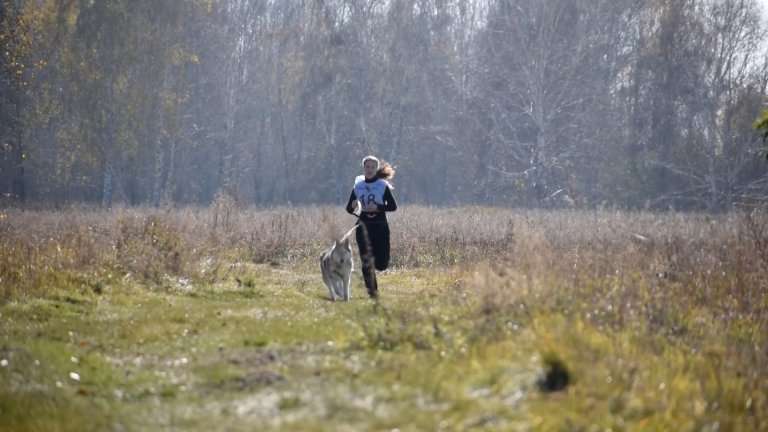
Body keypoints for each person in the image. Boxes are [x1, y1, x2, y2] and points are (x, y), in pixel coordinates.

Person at [345, 155, 397, 299]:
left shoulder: (382, 186)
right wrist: (354, 206)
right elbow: (349, 209)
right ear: (364, 168)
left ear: (376, 169)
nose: (369, 169)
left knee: (381, 265)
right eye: (367, 167)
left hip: (380, 227)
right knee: (366, 262)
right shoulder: (358, 186)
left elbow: (393, 206)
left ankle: (377, 269)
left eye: (372, 167)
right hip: (363, 228)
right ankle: (373, 294)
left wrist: (378, 207)